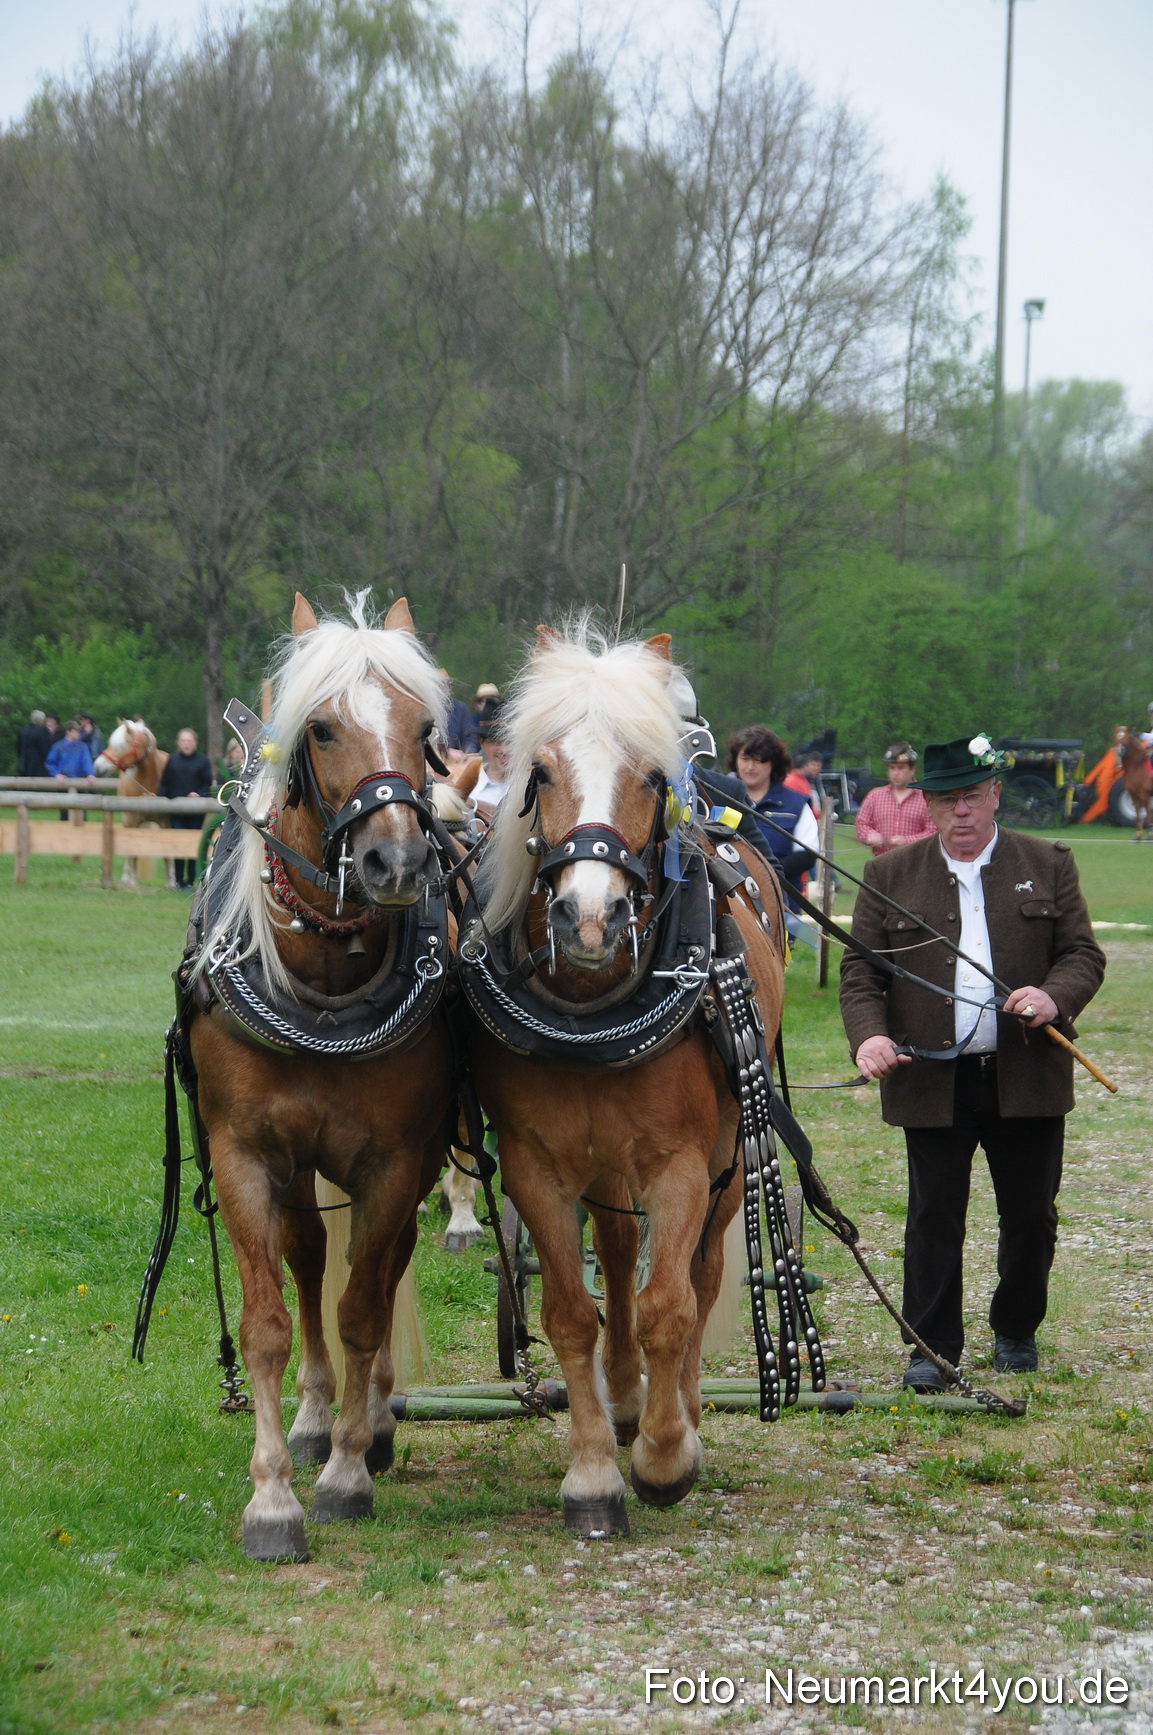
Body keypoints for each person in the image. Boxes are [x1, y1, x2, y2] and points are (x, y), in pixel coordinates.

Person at [839, 733, 1106, 1389]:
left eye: (971, 795)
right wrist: (869, 1037)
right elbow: (860, 976)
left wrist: (1053, 995)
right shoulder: (887, 875)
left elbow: (1082, 955)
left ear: (994, 794)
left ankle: (1015, 1329)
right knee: (932, 1218)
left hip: (1025, 1075)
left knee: (1029, 1215)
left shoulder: (1047, 861)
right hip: (931, 1077)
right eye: (945, 798)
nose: (960, 810)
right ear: (927, 804)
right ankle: (930, 1349)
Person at [726, 725, 818, 901]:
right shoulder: (718, 798)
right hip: (729, 903)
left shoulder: (797, 803)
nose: (750, 766)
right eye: (745, 758)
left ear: (773, 763)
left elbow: (807, 856)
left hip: (782, 905)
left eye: (759, 760)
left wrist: (761, 873)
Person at [854, 741, 937, 856]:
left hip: (916, 865)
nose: (896, 773)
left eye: (900, 768)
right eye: (892, 768)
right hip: (881, 864)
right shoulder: (875, 796)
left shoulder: (926, 798)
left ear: (912, 770)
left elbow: (933, 832)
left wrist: (907, 841)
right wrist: (870, 835)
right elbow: (861, 823)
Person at [158, 728, 215, 889]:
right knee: (178, 844)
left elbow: (207, 786)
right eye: (183, 741)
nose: (186, 744)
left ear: (194, 743)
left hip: (196, 812)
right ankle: (178, 880)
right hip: (176, 811)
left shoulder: (203, 761)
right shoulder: (172, 760)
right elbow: (165, 784)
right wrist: (156, 796)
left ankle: (190, 880)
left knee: (193, 844)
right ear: (179, 743)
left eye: (189, 741)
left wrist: (198, 794)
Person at [46, 720, 97, 819]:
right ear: (68, 732)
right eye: (76, 731)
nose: (78, 733)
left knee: (82, 813)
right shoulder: (58, 746)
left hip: (79, 782)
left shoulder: (82, 747)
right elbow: (50, 763)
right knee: (65, 814)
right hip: (63, 783)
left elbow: (86, 761)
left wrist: (90, 774)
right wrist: (56, 774)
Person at [472, 699, 509, 818]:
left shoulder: (533, 791)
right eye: (495, 741)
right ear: (481, 742)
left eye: (510, 741)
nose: (504, 750)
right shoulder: (471, 792)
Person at [785, 749, 824, 819]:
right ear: (803, 766)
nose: (812, 768)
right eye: (810, 765)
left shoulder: (803, 780)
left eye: (818, 765)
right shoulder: (793, 781)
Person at [16, 709, 53, 777]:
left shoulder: (23, 731)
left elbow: (19, 749)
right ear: (42, 720)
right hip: (39, 769)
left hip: (24, 766)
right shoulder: (43, 732)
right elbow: (46, 751)